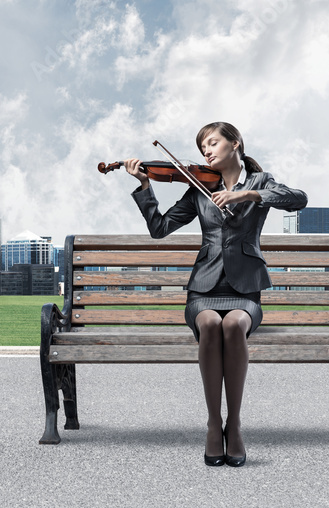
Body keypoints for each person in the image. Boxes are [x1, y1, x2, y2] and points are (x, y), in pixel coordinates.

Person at [125, 121, 307, 467]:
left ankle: (234, 423)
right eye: (202, 148)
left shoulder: (260, 181)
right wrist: (145, 185)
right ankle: (213, 423)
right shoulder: (197, 187)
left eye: (211, 143)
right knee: (210, 325)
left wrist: (246, 195)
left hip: (245, 291)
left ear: (234, 143)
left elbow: (298, 199)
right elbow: (159, 229)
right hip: (203, 290)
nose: (206, 152)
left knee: (234, 326)